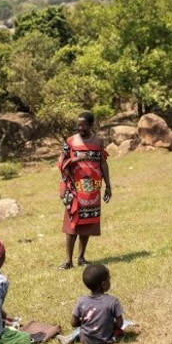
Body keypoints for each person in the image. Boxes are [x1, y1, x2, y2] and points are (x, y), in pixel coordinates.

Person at [57, 111, 112, 270]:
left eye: (83, 125)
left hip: (92, 188)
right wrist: (77, 159)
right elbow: (62, 163)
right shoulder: (70, 141)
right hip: (74, 188)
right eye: (78, 125)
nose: (79, 127)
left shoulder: (98, 142)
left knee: (87, 223)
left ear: (91, 125)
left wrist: (108, 185)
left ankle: (81, 258)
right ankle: (68, 260)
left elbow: (103, 163)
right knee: (72, 223)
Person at [57, 263, 124, 344]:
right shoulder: (113, 301)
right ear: (103, 284)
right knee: (120, 331)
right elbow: (120, 324)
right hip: (107, 341)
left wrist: (88, 322)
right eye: (109, 278)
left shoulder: (81, 301)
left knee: (80, 329)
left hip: (86, 341)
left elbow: (73, 323)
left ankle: (70, 338)